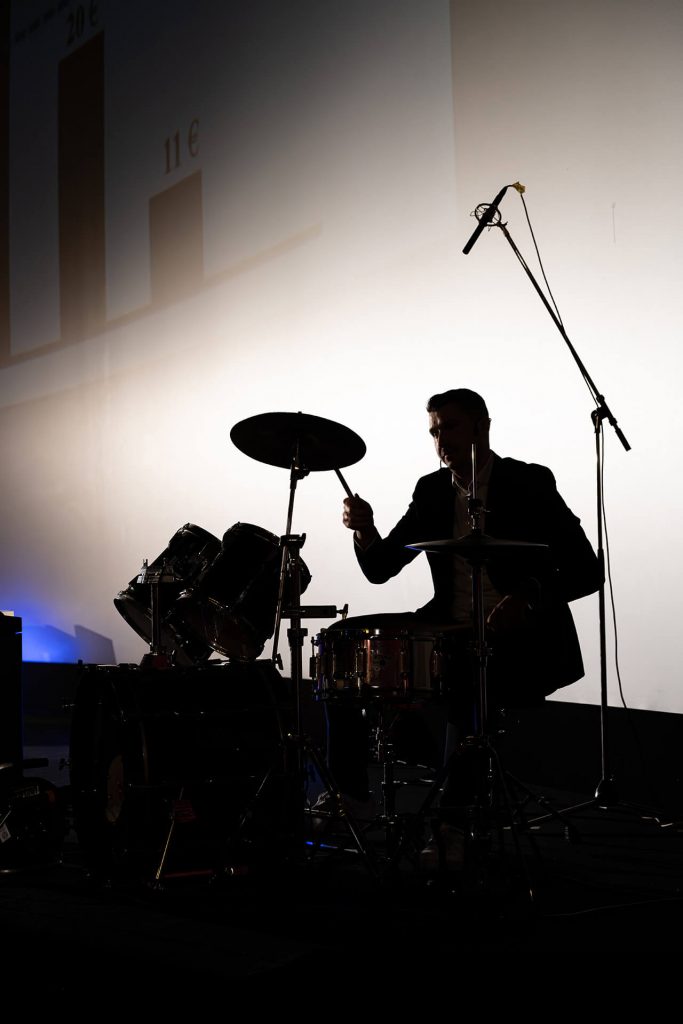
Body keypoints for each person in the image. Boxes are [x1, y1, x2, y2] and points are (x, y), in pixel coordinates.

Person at [316, 388, 602, 867]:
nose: (439, 440)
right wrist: (364, 530)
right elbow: (382, 568)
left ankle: (454, 824)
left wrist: (528, 597)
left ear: (481, 427)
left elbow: (587, 570)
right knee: (342, 647)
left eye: (448, 427)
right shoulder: (431, 490)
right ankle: (353, 796)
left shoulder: (528, 482)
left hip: (521, 633)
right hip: (449, 626)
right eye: (433, 431)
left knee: (472, 680)